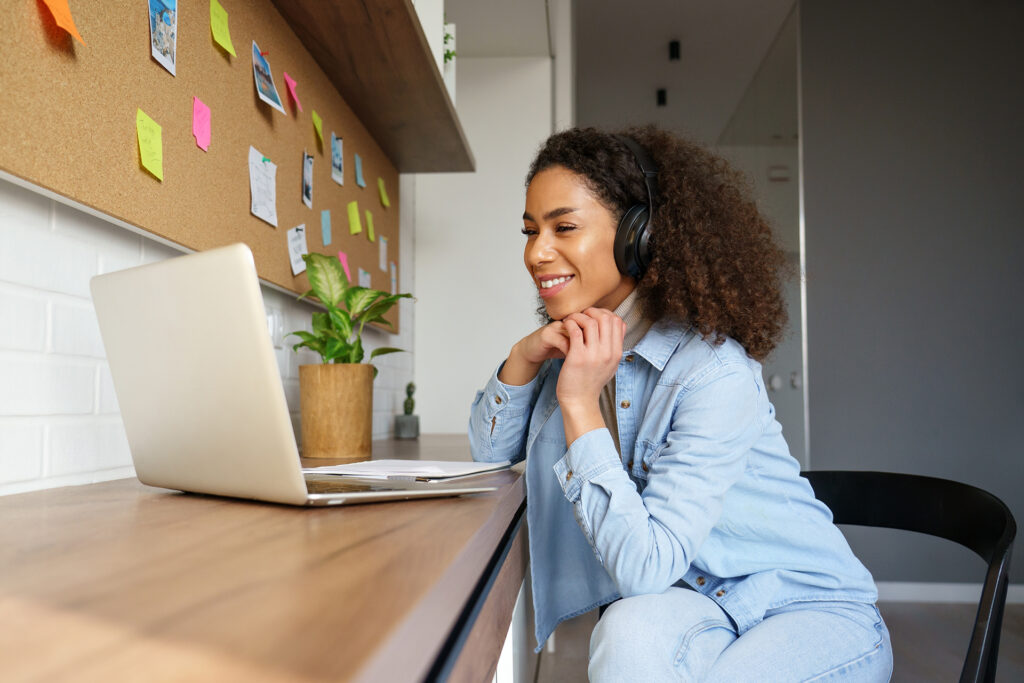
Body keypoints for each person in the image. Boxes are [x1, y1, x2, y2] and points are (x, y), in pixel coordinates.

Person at [468, 126, 893, 681]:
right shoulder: (577, 347)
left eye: (563, 227)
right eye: (530, 231)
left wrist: (578, 404)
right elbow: (489, 450)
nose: (536, 253)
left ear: (638, 236)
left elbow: (644, 567)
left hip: (805, 606)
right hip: (696, 602)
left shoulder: (713, 373)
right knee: (626, 636)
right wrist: (523, 358)